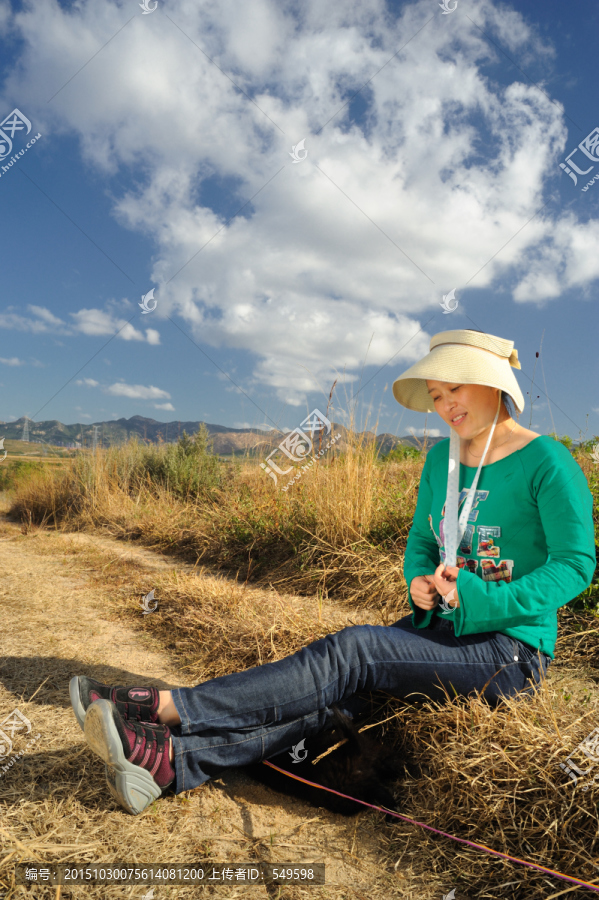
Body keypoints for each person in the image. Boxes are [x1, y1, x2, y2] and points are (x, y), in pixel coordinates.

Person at [69, 328, 596, 816]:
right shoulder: (442, 462)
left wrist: (482, 602)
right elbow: (420, 541)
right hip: (438, 629)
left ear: (492, 384)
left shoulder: (547, 461)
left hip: (510, 650)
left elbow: (576, 565)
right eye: (436, 395)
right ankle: (171, 763)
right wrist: (418, 582)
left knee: (355, 651)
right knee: (335, 695)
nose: (444, 405)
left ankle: (165, 707)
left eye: (454, 388)